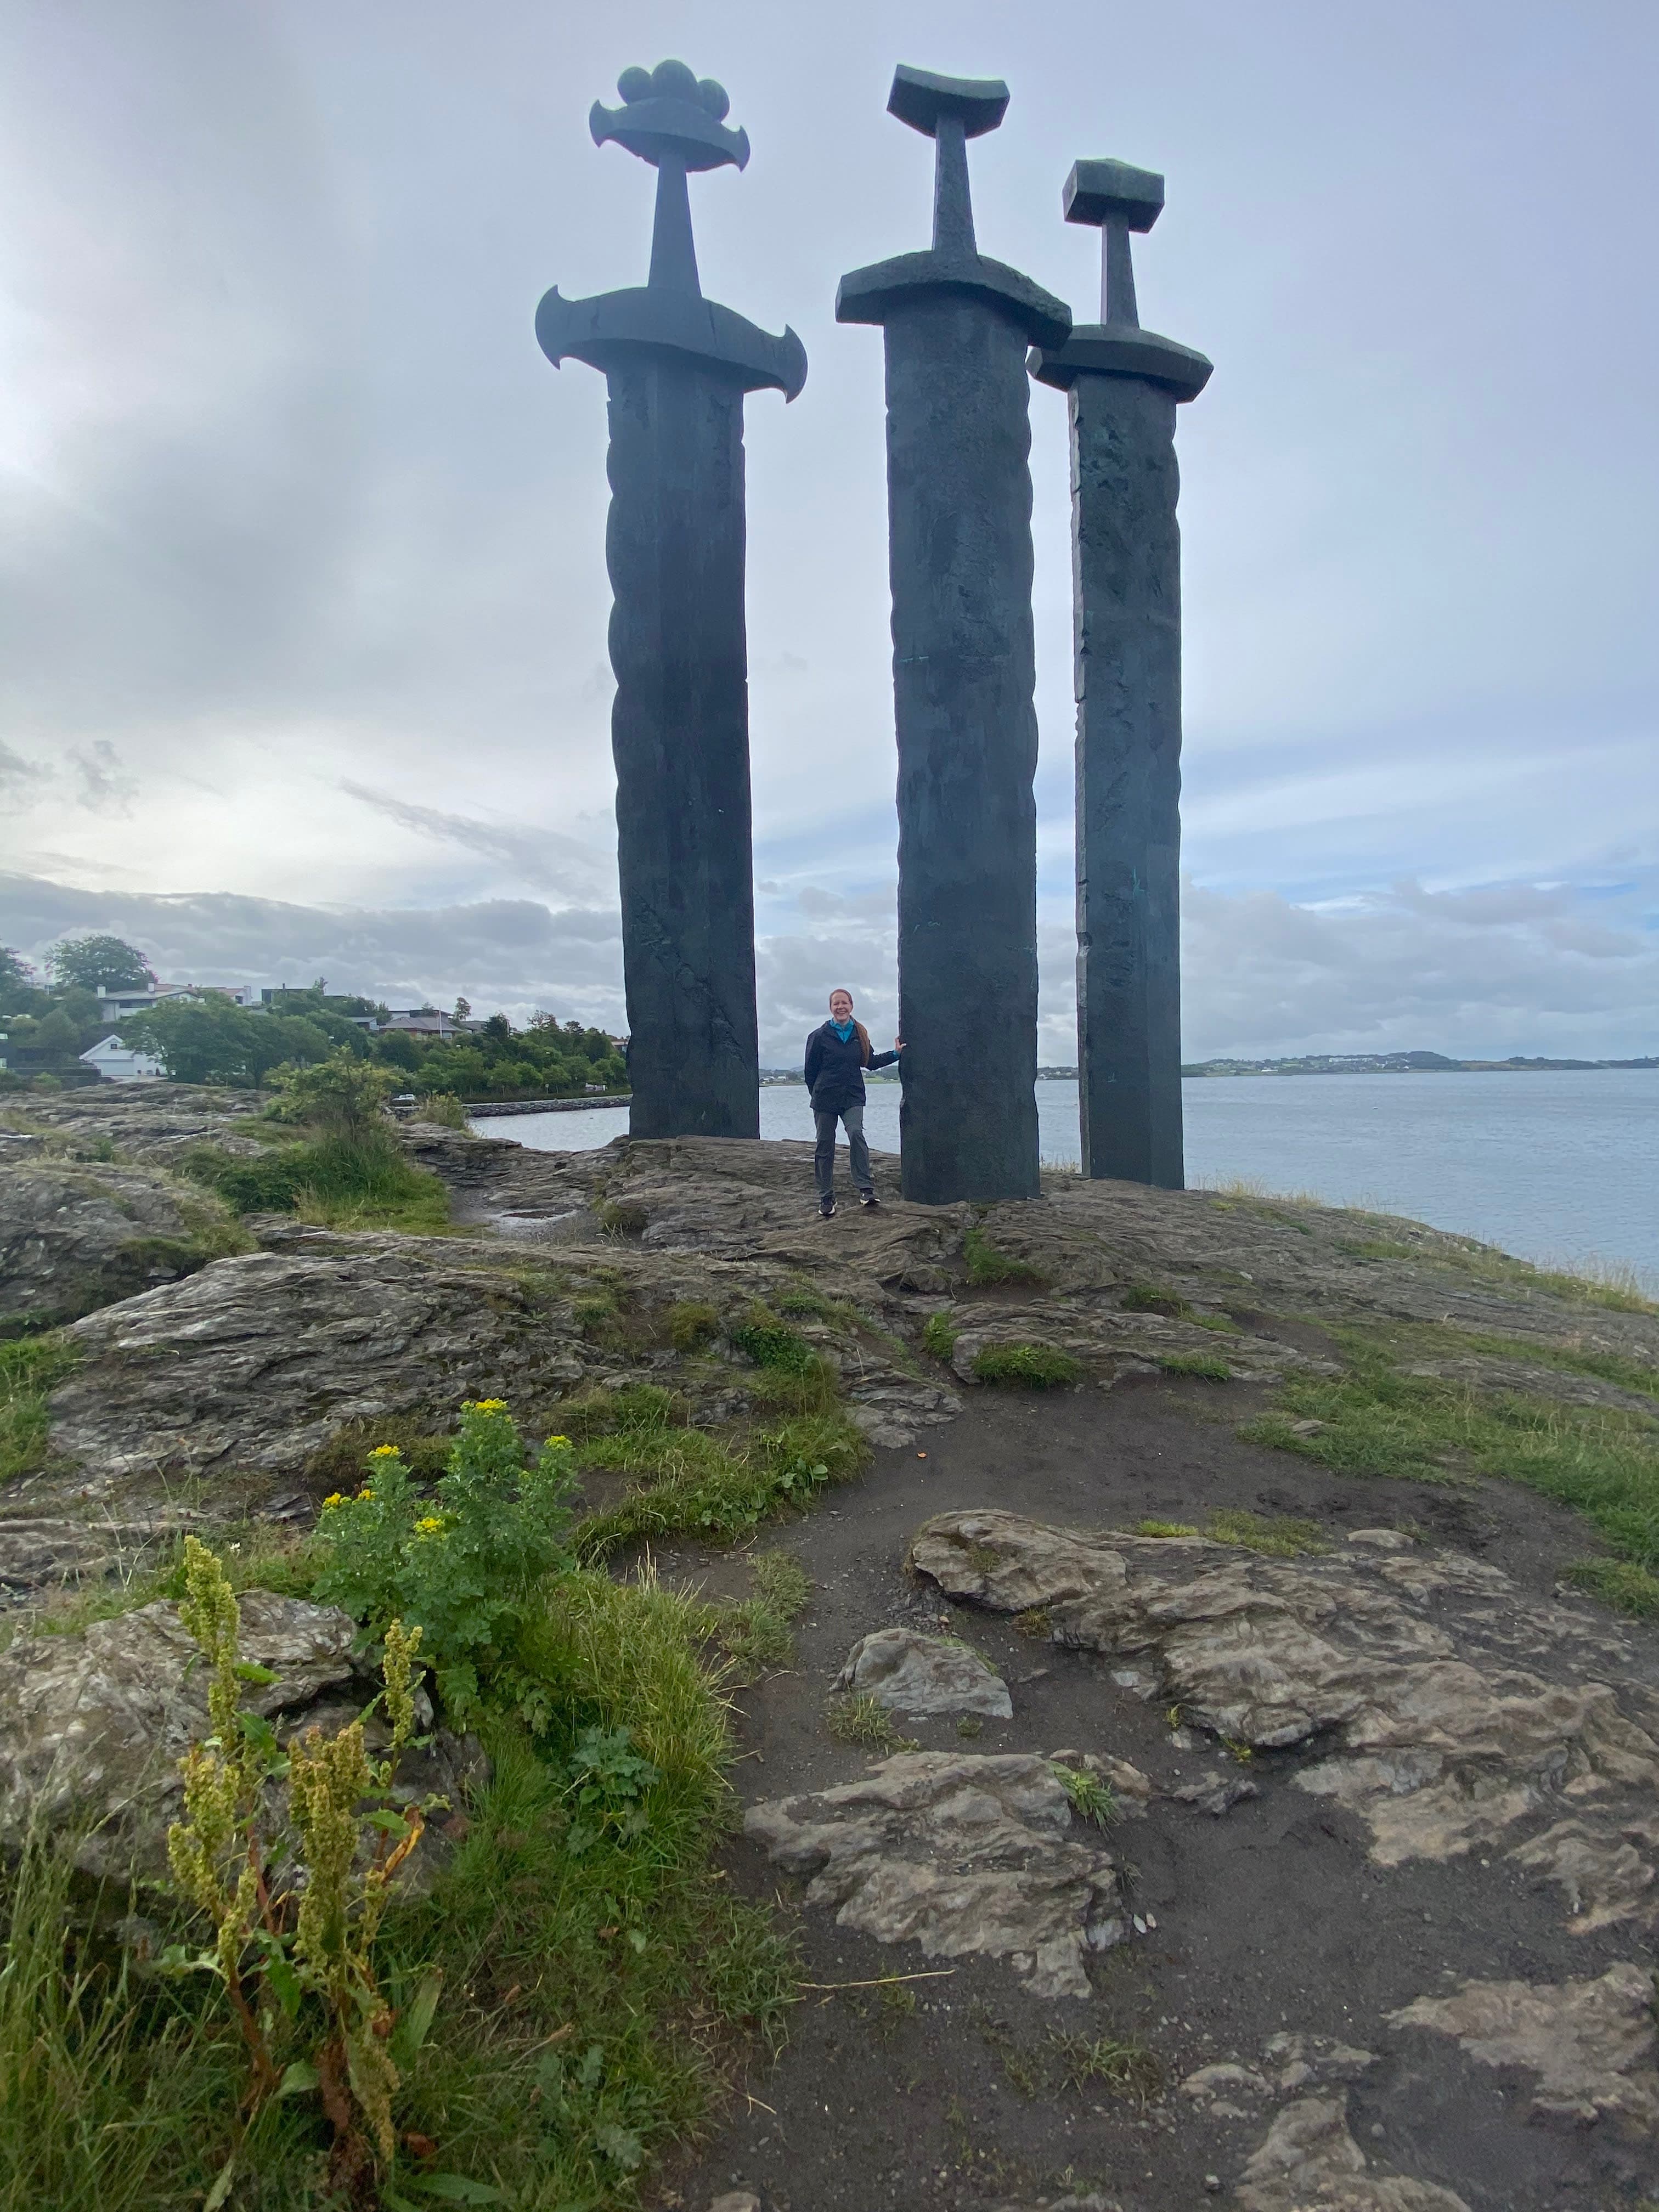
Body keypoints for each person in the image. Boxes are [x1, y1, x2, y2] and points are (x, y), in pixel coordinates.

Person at [804, 988, 903, 1217]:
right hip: (825, 1098)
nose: (841, 1007)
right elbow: (810, 1072)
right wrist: (816, 1095)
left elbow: (870, 1062)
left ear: (852, 1006)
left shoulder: (860, 1034)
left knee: (856, 1134)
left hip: (852, 1096)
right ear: (831, 1008)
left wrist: (896, 1054)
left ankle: (866, 1190)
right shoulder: (819, 1036)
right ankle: (826, 1197)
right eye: (836, 1004)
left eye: (845, 1003)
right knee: (825, 1144)